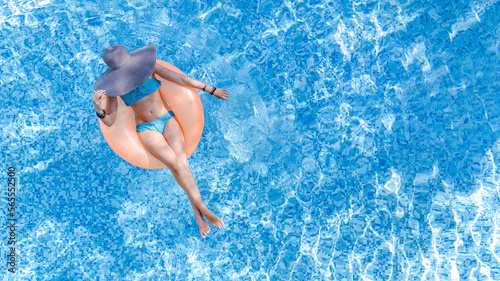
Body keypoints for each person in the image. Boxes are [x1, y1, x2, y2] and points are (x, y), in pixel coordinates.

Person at [92, 44, 227, 238]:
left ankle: (198, 216)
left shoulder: (150, 68)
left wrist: (210, 89)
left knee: (181, 166)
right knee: (177, 166)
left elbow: (180, 79)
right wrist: (98, 108)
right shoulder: (116, 88)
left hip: (167, 120)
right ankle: (204, 209)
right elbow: (111, 120)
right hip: (147, 130)